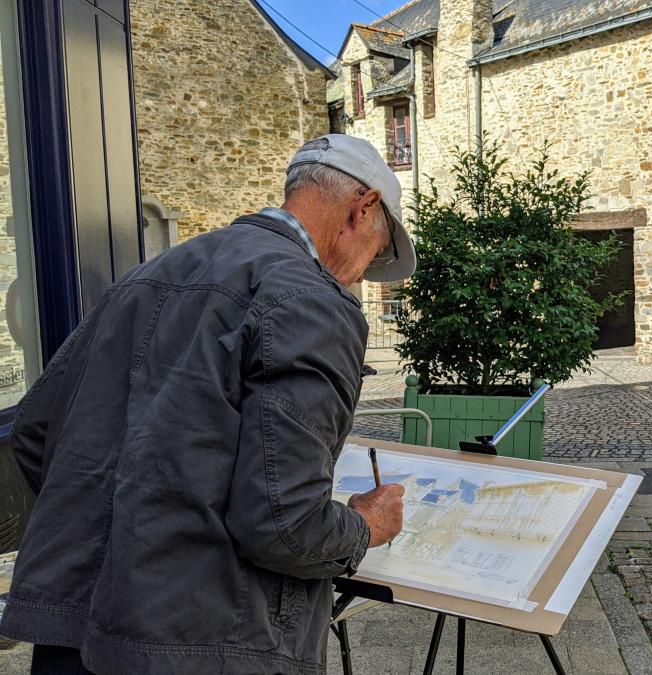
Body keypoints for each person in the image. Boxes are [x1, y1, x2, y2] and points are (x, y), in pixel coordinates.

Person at [0, 134, 417, 674]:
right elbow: (285, 524)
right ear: (361, 209)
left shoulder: (147, 275)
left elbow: (35, 435)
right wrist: (364, 526)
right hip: (202, 644)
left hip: (75, 632)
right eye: (377, 254)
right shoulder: (311, 299)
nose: (363, 274)